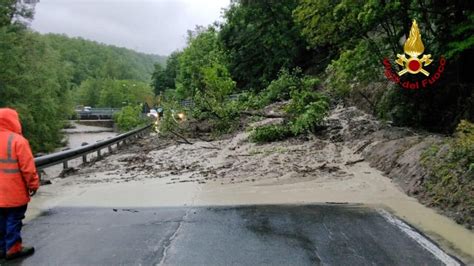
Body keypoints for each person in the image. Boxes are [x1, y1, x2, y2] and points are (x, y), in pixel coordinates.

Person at [0, 108, 39, 260]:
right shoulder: (18, 141)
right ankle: (13, 248)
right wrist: (33, 185)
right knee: (14, 219)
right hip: (14, 191)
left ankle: (2, 247)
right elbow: (28, 168)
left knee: (1, 220)